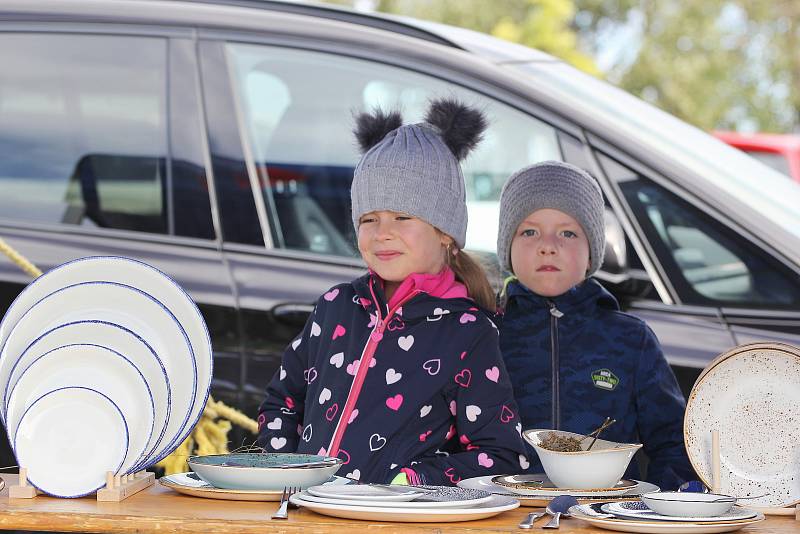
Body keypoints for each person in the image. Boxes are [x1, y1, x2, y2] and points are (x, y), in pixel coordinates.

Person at [256, 98, 529, 485]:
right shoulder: (336, 308)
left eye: (402, 217)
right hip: (305, 513)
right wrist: (281, 472)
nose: (383, 232)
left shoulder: (467, 332)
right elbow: (282, 400)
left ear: (445, 232)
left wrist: (413, 480)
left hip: (390, 520)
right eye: (370, 218)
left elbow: (500, 454)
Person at [496, 160, 694, 490]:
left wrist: (655, 509)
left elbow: (675, 443)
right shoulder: (485, 333)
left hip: (607, 514)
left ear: (592, 253)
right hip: (505, 515)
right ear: (507, 247)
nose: (548, 245)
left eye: (568, 232)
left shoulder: (631, 339)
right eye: (529, 231)